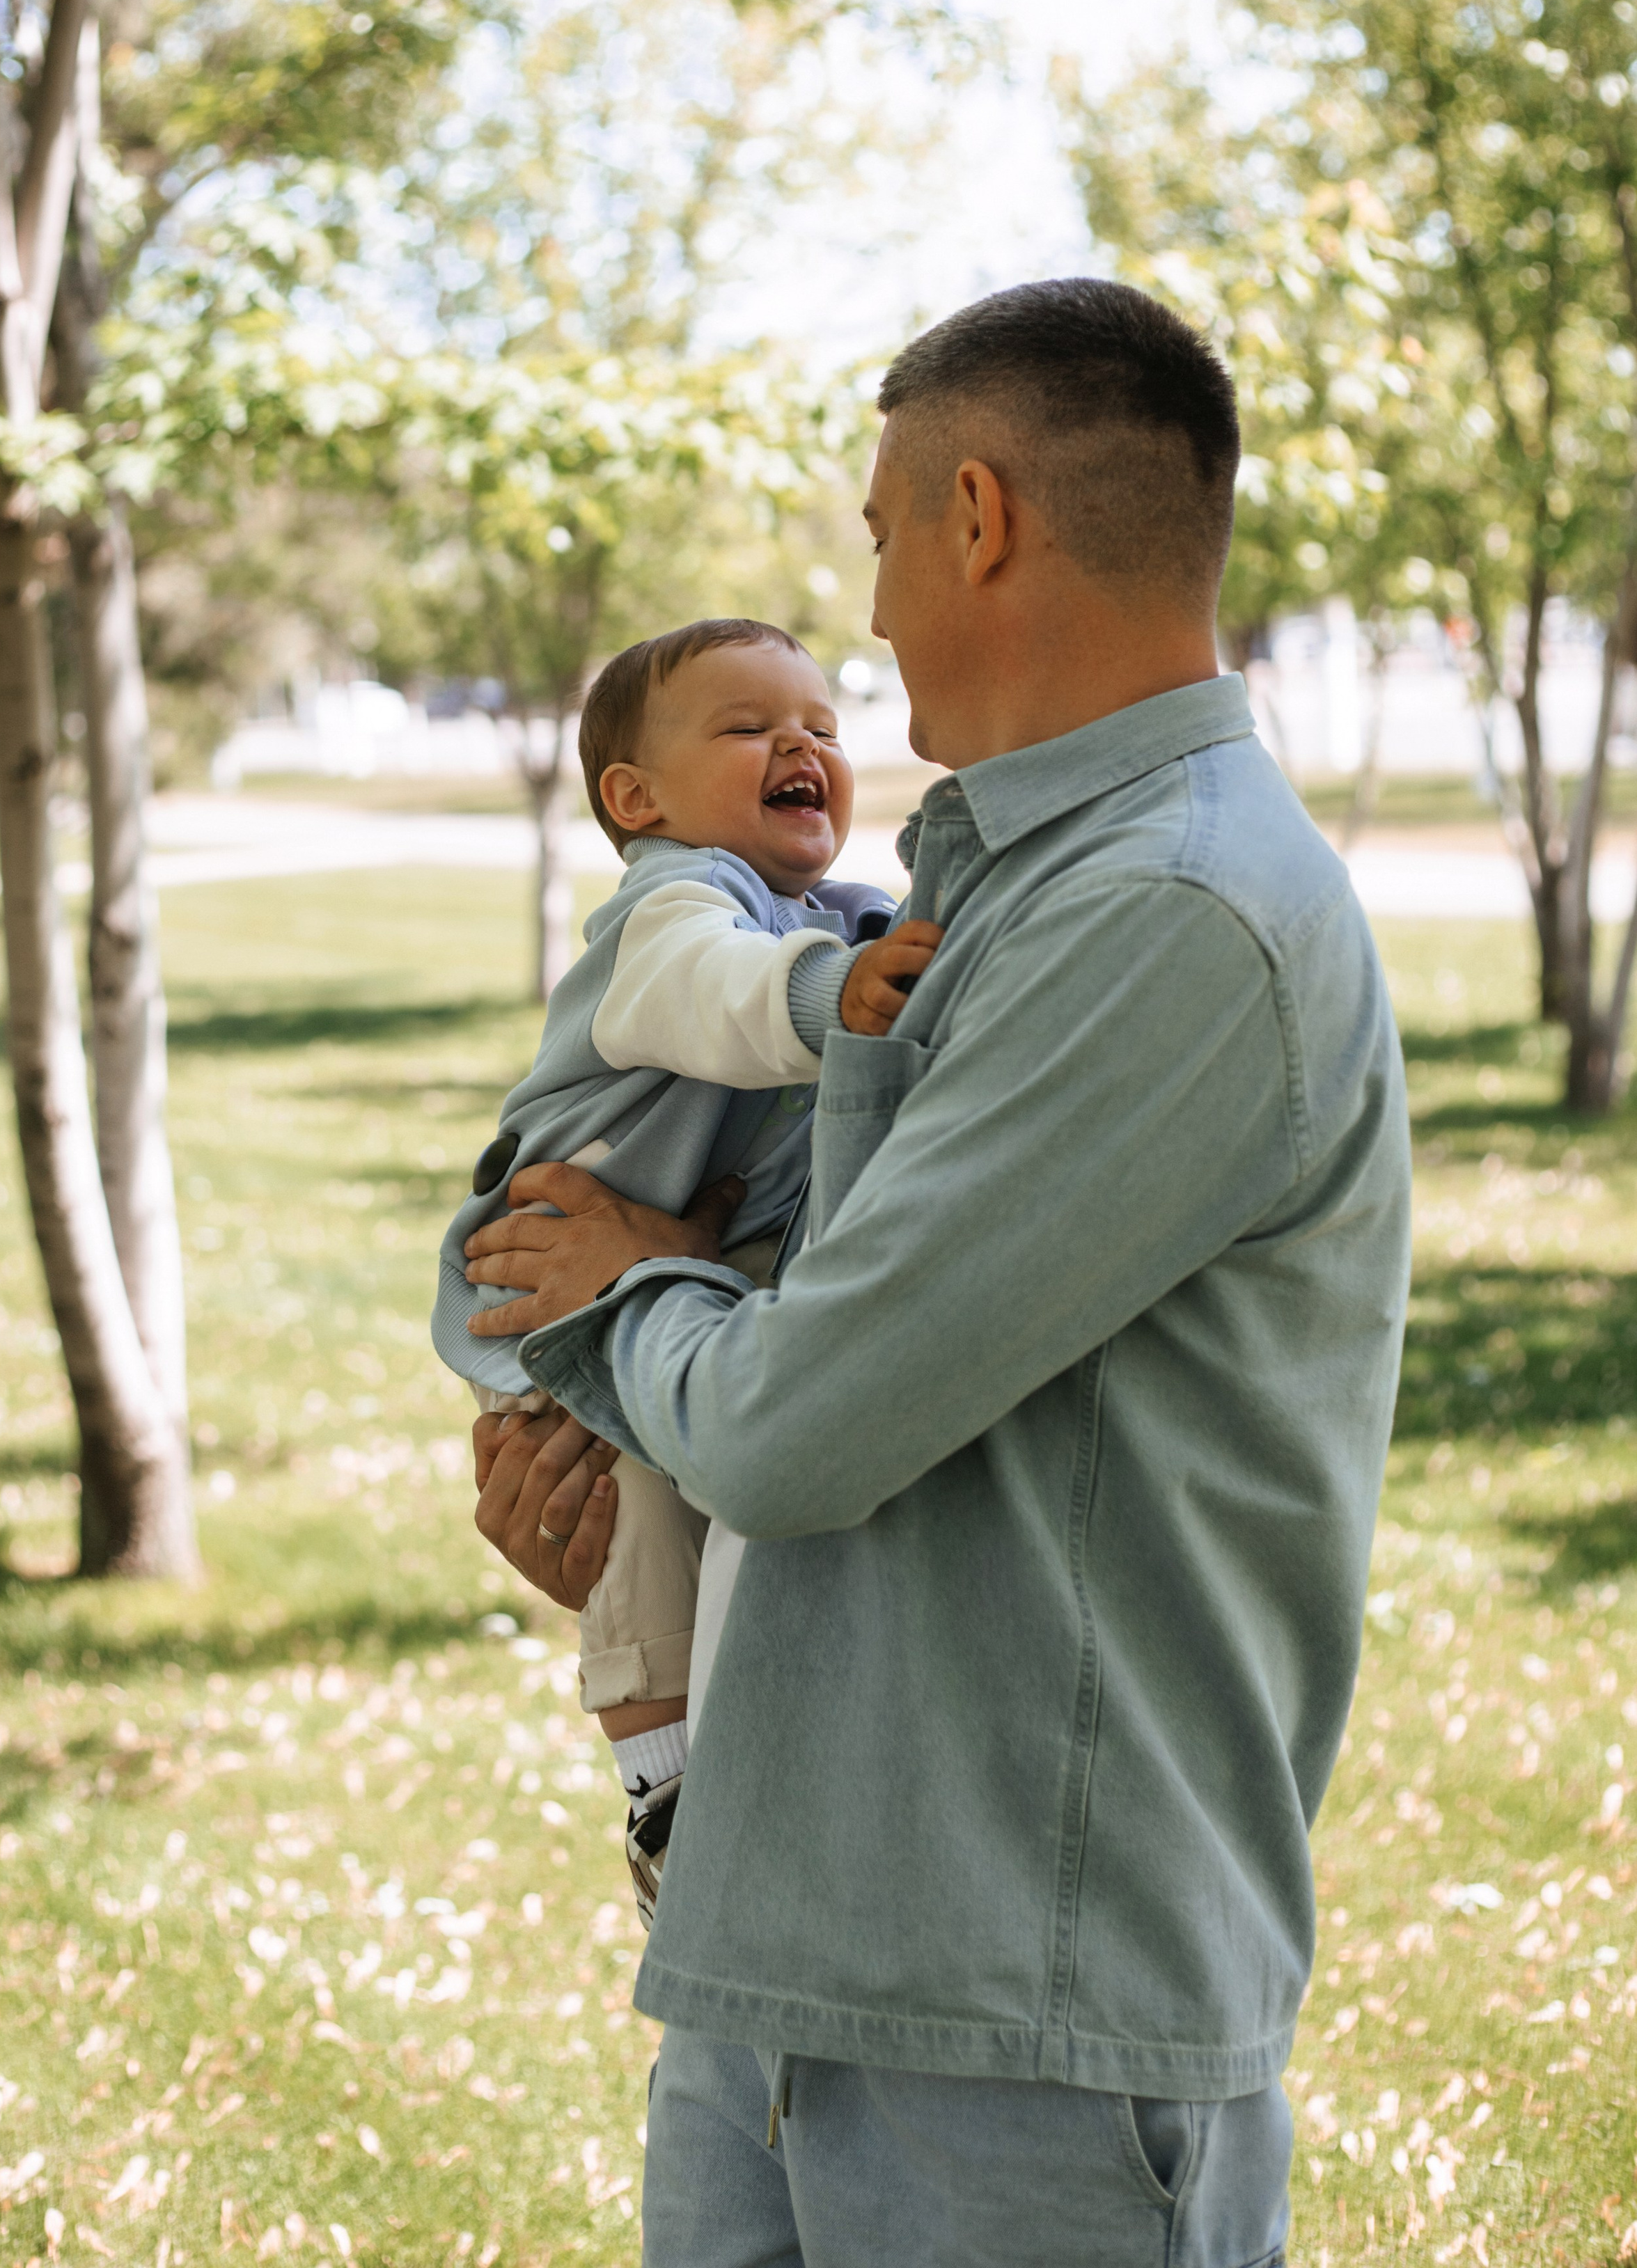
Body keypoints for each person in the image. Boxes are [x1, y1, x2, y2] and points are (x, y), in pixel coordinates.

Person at [464, 278, 1412, 2268]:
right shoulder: (995, 883)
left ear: (975, 517)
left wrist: (615, 1293)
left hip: (1019, 2021)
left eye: (883, 532)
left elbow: (804, 1419)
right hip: (789, 1941)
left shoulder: (1172, 914)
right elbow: (842, 1379)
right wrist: (636, 1478)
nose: (876, 602)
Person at [432, 616, 939, 1919]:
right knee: (638, 1502)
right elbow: (716, 991)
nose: (802, 744)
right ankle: (666, 1796)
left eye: (822, 726)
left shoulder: (832, 913)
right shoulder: (671, 910)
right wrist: (841, 994)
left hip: (687, 1272)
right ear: (636, 799)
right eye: (749, 727)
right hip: (549, 1286)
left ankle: (732, 1766)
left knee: (711, 1504)